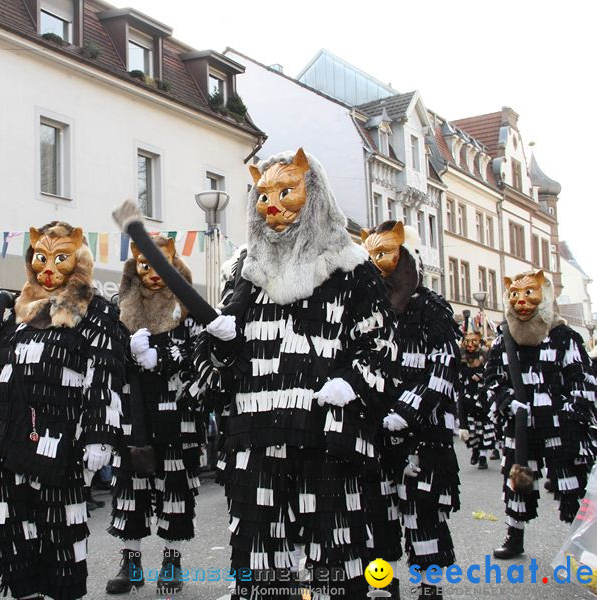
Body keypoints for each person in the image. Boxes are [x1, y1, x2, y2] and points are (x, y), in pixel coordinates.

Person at [198, 149, 397, 599]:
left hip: (326, 437)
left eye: (285, 191)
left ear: (315, 192)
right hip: (255, 437)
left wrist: (351, 381)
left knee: (331, 550)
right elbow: (217, 365)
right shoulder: (244, 272)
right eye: (263, 195)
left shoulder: (353, 269)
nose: (272, 205)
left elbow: (381, 345)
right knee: (260, 553)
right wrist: (220, 346)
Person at [0, 221, 125, 599]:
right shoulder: (20, 311)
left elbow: (104, 380)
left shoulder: (96, 312)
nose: (48, 268)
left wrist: (98, 437)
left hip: (62, 445)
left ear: (77, 259)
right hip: (12, 442)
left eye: (60, 258)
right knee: (13, 532)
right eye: (40, 258)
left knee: (60, 534)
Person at [362, 221, 462, 599]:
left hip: (425, 434)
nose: (376, 261)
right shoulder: (366, 309)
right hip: (377, 433)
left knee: (423, 513)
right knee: (378, 513)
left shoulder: (431, 309)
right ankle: (382, 584)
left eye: (384, 252)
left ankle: (429, 586)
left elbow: (443, 367)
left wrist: (407, 410)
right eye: (370, 254)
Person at [105, 235, 204, 594]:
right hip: (133, 413)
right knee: (129, 489)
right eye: (145, 264)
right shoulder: (120, 307)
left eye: (160, 263)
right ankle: (131, 565)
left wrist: (163, 359)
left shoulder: (189, 306)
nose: (153, 273)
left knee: (173, 489)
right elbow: (106, 360)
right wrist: (125, 351)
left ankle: (171, 561)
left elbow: (201, 356)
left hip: (177, 416)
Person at [484, 270, 596, 559]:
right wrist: (508, 402)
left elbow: (581, 379)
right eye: (514, 294)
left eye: (529, 293)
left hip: (561, 426)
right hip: (521, 426)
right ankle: (514, 536)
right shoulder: (504, 336)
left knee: (571, 484)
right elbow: (493, 377)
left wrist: (570, 412)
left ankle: (582, 543)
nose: (521, 300)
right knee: (517, 484)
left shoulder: (564, 336)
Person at [457, 328, 495, 469]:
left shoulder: (485, 357)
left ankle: (483, 456)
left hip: (482, 398)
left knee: (484, 429)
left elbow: (491, 374)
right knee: (472, 430)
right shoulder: (461, 361)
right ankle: (475, 451)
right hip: (468, 398)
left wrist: (482, 378)